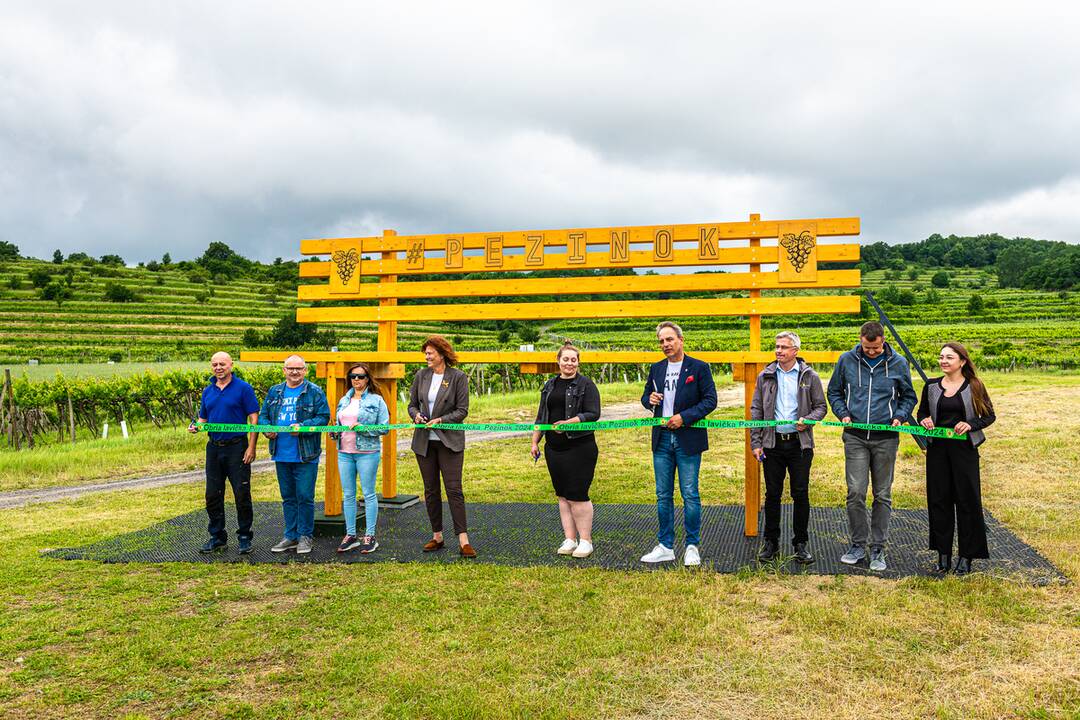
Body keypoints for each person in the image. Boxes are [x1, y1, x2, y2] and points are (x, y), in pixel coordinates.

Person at [827, 321, 918, 572]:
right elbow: (834, 392)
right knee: (855, 491)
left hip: (886, 438)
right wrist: (842, 412)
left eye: (876, 348)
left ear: (883, 340)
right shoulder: (846, 360)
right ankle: (857, 544)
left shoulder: (899, 363)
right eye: (868, 348)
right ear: (860, 340)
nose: (872, 352)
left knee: (882, 494)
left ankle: (878, 547)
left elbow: (909, 396)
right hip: (855, 436)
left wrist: (899, 416)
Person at [639, 321, 718, 566]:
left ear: (680, 340)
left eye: (669, 339)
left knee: (690, 494)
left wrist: (684, 417)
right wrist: (649, 400)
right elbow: (645, 398)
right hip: (661, 438)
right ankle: (665, 545)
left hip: (688, 438)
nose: (665, 344)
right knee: (663, 495)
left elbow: (710, 401)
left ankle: (692, 545)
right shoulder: (656, 368)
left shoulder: (699, 367)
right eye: (661, 341)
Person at [917, 342, 995, 575]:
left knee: (967, 502)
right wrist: (925, 420)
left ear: (962, 361)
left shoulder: (974, 386)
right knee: (939, 501)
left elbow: (989, 416)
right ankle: (943, 556)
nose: (943, 361)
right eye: (941, 357)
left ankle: (966, 557)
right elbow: (922, 412)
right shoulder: (931, 386)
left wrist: (970, 424)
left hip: (965, 452)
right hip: (938, 451)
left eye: (949, 358)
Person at [750, 331, 828, 564]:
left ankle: (800, 544)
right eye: (777, 346)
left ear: (795, 351)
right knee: (772, 494)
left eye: (784, 347)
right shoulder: (765, 376)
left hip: (799, 445)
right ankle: (771, 543)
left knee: (800, 493)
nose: (779, 351)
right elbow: (756, 411)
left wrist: (809, 419)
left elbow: (821, 407)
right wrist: (756, 442)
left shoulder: (809, 376)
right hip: (772, 444)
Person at [530, 342, 602, 558]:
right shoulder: (549, 385)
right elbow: (541, 417)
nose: (569, 363)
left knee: (577, 495)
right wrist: (535, 441)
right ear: (558, 361)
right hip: (553, 448)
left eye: (573, 359)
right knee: (562, 496)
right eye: (566, 359)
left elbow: (593, 414)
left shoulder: (586, 385)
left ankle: (585, 541)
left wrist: (569, 422)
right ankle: (570, 539)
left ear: (578, 362)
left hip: (580, 447)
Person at [407, 336, 475, 557]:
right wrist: (416, 415)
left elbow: (462, 410)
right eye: (425, 353)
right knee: (430, 490)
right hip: (424, 442)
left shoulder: (458, 377)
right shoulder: (421, 376)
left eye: (430, 353)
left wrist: (441, 420)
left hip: (449, 442)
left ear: (442, 353)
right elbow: (412, 405)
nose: (427, 356)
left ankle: (463, 540)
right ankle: (437, 536)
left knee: (454, 490)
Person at [259, 355, 330, 555]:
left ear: (305, 371)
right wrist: (267, 429)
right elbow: (264, 415)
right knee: (288, 497)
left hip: (305, 454)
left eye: (299, 368)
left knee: (305, 496)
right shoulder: (275, 391)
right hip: (281, 453)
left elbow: (324, 417)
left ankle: (305, 536)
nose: (294, 372)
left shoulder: (314, 392)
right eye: (291, 368)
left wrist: (305, 427)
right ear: (284, 370)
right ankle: (290, 535)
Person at [189, 351, 259, 554]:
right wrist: (196, 427)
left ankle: (244, 537)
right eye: (214, 364)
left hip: (237, 447)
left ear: (231, 365)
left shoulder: (243, 388)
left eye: (222, 364)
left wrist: (251, 447)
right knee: (212, 494)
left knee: (241, 493)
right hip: (214, 448)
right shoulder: (208, 391)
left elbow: (254, 419)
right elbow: (203, 419)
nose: (218, 368)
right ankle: (217, 536)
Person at [332, 362, 390, 554]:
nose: (356, 379)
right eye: (353, 376)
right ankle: (350, 535)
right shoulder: (343, 400)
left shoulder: (377, 400)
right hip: (344, 453)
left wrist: (362, 428)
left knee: (368, 493)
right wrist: (334, 432)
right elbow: (339, 425)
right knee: (348, 494)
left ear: (368, 379)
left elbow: (384, 428)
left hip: (367, 453)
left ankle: (370, 536)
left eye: (361, 376)